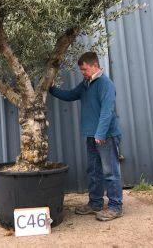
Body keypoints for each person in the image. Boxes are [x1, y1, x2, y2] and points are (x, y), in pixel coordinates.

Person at [49, 51, 123, 221]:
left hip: (106, 136)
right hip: (92, 135)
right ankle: (95, 203)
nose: (82, 73)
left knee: (110, 172)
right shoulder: (86, 84)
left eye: (84, 69)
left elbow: (107, 111)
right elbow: (70, 95)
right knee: (94, 171)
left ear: (95, 66)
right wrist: (52, 88)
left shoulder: (106, 84)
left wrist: (100, 133)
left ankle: (115, 207)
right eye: (81, 70)